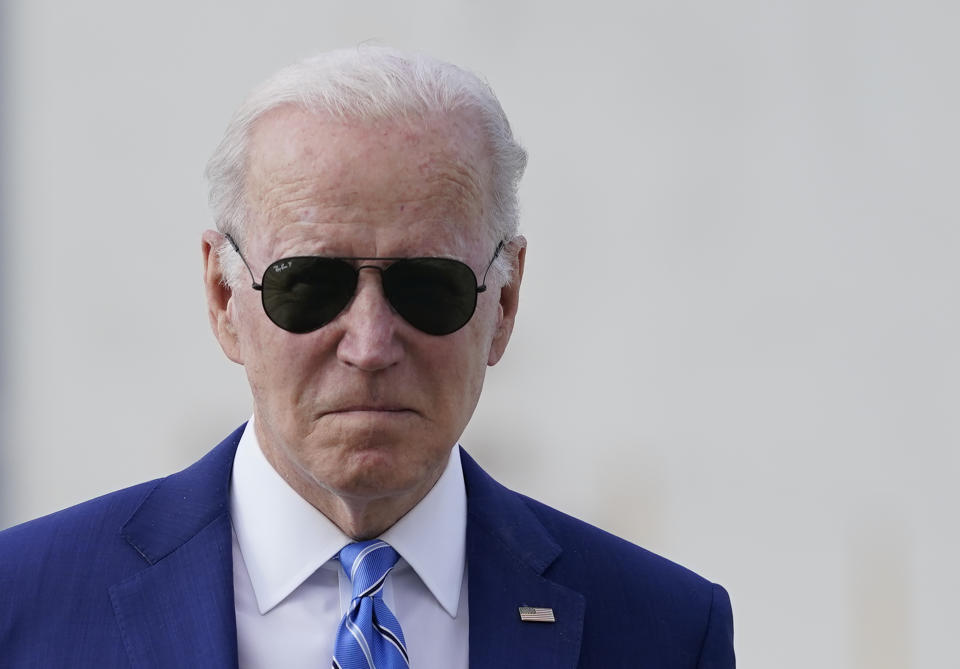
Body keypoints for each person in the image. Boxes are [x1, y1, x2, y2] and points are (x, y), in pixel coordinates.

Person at [0, 46, 734, 668]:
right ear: (225, 298)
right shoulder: (22, 606)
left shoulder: (664, 632)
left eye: (428, 287)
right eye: (310, 284)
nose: (371, 344)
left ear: (503, 304)